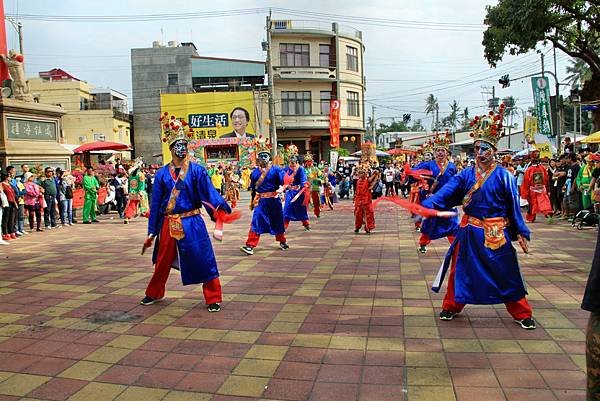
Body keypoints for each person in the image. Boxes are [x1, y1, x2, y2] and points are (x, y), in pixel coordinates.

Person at [421, 107, 536, 330]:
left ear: (493, 150)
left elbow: (513, 207)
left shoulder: (505, 176)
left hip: (496, 232)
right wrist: (431, 203)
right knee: (460, 270)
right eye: (477, 148)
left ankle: (522, 312)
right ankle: (451, 305)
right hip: (470, 230)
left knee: (505, 271)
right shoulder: (465, 174)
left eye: (485, 148)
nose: (480, 152)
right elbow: (449, 192)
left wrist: (519, 231)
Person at [142, 114, 231, 312]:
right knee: (162, 260)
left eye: (184, 144)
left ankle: (213, 297)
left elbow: (208, 193)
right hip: (169, 222)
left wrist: (219, 209)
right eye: (178, 145)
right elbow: (156, 204)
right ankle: (154, 292)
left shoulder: (197, 171)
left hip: (192, 221)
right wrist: (152, 230)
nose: (182, 148)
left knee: (204, 257)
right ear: (171, 148)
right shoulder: (162, 174)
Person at [241, 138, 288, 255]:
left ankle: (282, 241)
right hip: (261, 201)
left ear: (269, 158)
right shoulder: (255, 173)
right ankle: (250, 245)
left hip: (274, 200)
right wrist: (252, 202)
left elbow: (283, 182)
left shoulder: (276, 169)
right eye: (261, 156)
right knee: (256, 221)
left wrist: (284, 185)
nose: (263, 158)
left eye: (265, 156)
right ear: (258, 158)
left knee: (277, 221)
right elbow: (253, 189)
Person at [417, 132, 459, 254]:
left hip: (448, 199)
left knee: (452, 223)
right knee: (430, 222)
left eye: (443, 150)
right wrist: (426, 191)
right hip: (434, 199)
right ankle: (423, 243)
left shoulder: (452, 167)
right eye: (438, 150)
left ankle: (455, 245)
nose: (440, 153)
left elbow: (457, 182)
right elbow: (422, 179)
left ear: (447, 153)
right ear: (435, 152)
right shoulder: (429, 165)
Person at [282, 145, 310, 231]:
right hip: (290, 191)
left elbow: (303, 178)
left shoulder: (300, 169)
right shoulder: (286, 169)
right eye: (290, 158)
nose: (292, 160)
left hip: (299, 192)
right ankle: (284, 226)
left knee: (300, 208)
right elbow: (282, 178)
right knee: (287, 207)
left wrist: (303, 185)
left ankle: (305, 223)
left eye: (293, 158)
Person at [520, 150, 553, 223]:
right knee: (544, 202)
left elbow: (526, 182)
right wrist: (547, 189)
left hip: (533, 190)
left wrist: (525, 192)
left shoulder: (529, 170)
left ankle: (531, 218)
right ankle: (548, 213)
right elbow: (547, 179)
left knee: (533, 204)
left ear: (532, 159)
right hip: (542, 189)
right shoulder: (543, 168)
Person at [124, 160, 148, 224]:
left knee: (132, 205)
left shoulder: (131, 175)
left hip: (132, 192)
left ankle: (127, 217)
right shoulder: (140, 175)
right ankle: (151, 217)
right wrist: (141, 191)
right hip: (140, 192)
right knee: (144, 205)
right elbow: (141, 184)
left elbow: (129, 184)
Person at [354, 165, 375, 234]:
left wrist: (375, 173)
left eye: (362, 173)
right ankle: (357, 227)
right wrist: (355, 198)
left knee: (368, 214)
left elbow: (373, 179)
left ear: (365, 174)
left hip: (366, 200)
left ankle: (368, 227)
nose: (360, 174)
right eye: (359, 173)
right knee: (358, 214)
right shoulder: (358, 181)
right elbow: (356, 191)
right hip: (359, 200)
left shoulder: (367, 180)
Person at [303, 153, 323, 218]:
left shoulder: (316, 169)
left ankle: (317, 213)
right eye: (308, 161)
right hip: (306, 188)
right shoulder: (303, 170)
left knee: (316, 201)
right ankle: (304, 215)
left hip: (315, 187)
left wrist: (320, 180)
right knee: (305, 202)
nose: (310, 162)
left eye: (311, 161)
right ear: (306, 162)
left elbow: (321, 176)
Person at [1, 173, 17, 241]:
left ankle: (11, 232)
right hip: (6, 203)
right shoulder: (2, 184)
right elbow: (1, 193)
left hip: (12, 202)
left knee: (12, 218)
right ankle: (5, 233)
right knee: (5, 218)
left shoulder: (10, 184)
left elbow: (13, 194)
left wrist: (15, 202)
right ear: (6, 177)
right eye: (9, 176)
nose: (10, 177)